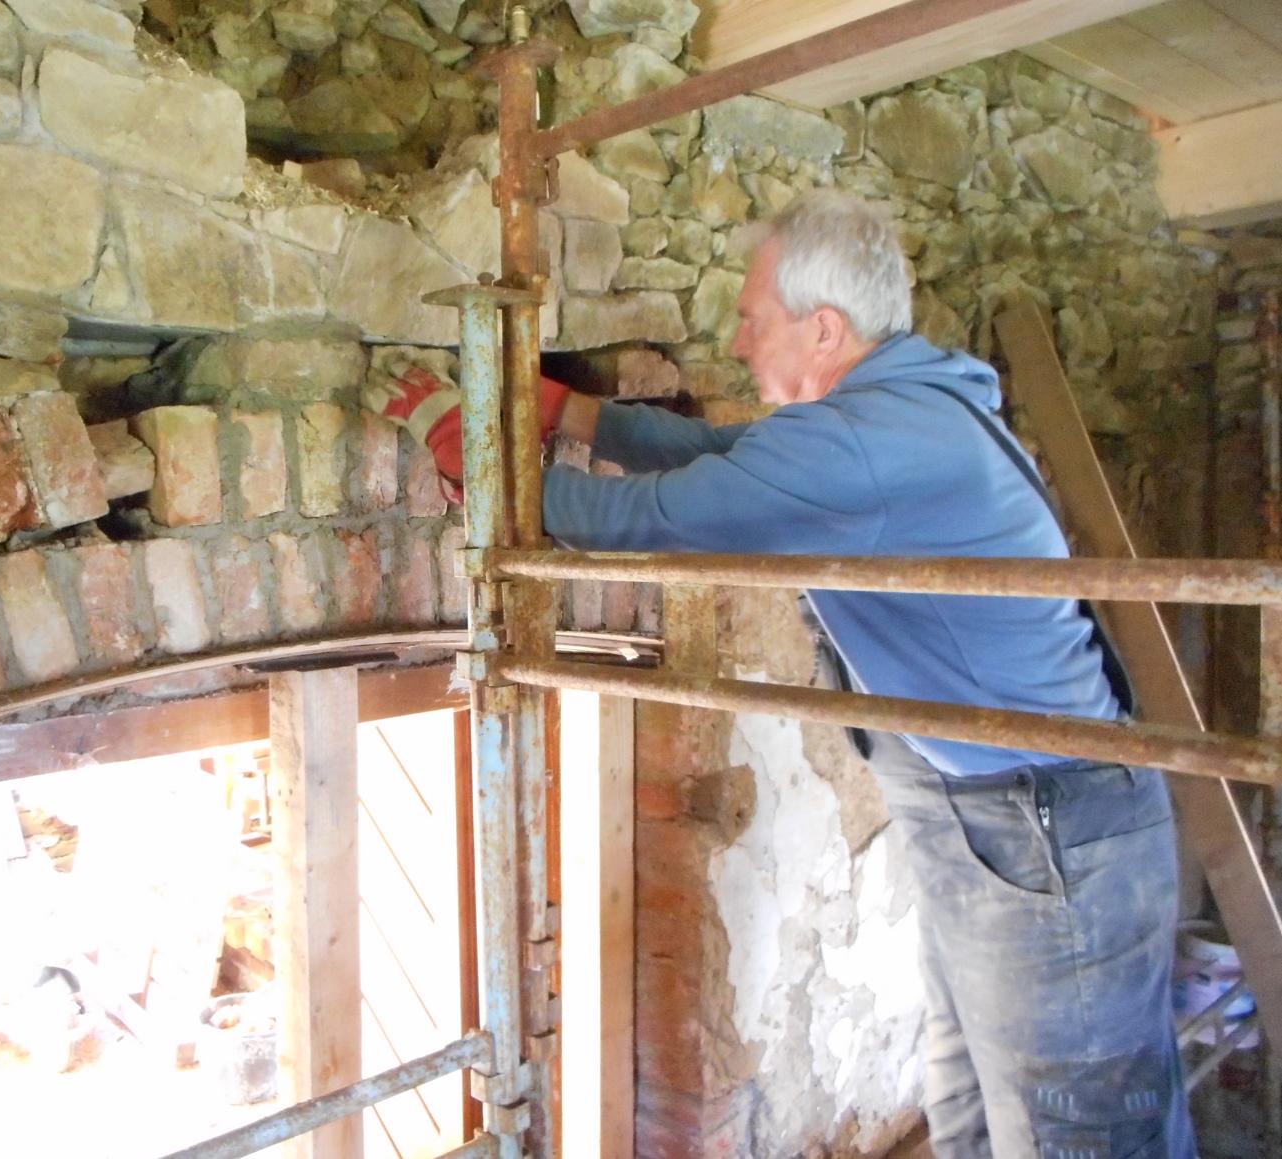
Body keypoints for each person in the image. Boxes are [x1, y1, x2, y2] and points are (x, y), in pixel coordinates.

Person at [369, 189, 1193, 1158]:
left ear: (824, 329)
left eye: (752, 317)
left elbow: (655, 520)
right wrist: (575, 413)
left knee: (1074, 1134)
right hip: (1002, 814)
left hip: (1043, 829)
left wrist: (474, 458)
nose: (736, 338)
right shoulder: (896, 407)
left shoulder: (870, 443)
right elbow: (724, 452)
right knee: (970, 1108)